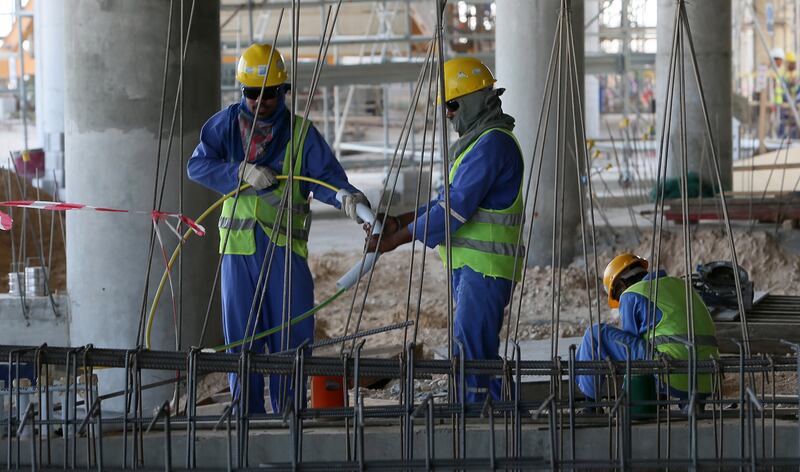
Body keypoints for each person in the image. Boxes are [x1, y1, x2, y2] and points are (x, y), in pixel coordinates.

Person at [187, 43, 368, 414]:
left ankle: (289, 419)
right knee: (243, 342)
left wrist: (348, 199)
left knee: (292, 341)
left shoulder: (301, 134)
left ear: (283, 91)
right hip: (239, 254)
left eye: (268, 93)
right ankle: (247, 420)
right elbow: (197, 166)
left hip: (285, 254)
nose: (260, 101)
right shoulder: (225, 126)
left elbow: (329, 180)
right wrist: (237, 171)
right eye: (252, 93)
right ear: (242, 92)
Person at [364, 57, 523, 403]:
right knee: (472, 351)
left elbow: (453, 211)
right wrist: (400, 220)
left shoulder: (493, 144)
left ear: (473, 101)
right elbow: (444, 201)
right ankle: (485, 417)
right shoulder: (476, 144)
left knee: (473, 353)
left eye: (452, 105)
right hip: (473, 268)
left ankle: (481, 428)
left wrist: (396, 239)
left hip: (486, 270)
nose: (448, 115)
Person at [575, 253, 719, 406]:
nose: (621, 301)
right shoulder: (681, 284)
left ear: (621, 285)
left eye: (618, 296)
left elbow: (630, 348)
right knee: (658, 343)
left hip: (674, 374)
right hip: (709, 377)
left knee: (595, 335)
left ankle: (590, 406)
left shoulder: (632, 293)